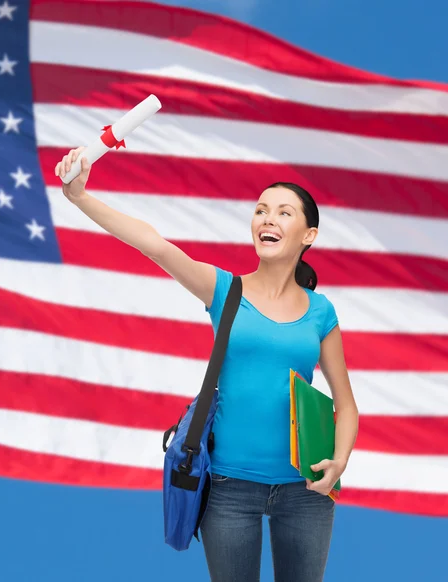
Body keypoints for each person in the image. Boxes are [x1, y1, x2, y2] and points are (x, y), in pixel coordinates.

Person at [54, 148, 359, 582]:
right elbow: (153, 243)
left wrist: (339, 462)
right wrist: (80, 197)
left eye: (283, 213)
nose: (267, 219)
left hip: (306, 492)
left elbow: (345, 405)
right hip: (229, 492)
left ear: (308, 235)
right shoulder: (223, 290)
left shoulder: (321, 312)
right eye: (260, 210)